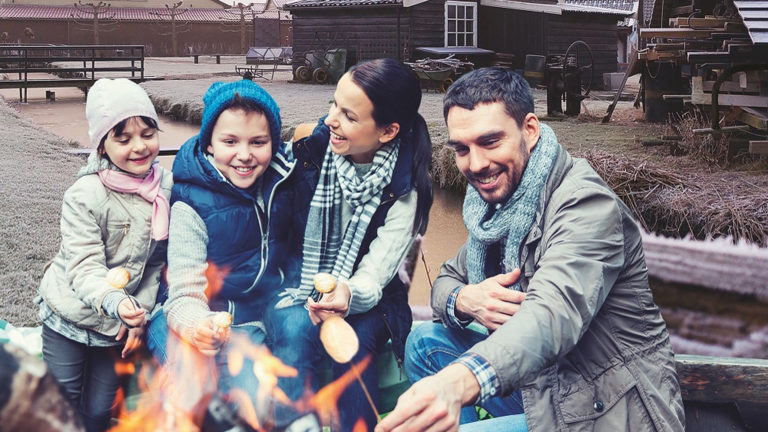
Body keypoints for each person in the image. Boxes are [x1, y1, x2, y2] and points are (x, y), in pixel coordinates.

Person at [377, 67, 686, 432]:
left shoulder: (586, 205)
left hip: (605, 407)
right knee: (424, 343)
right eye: (462, 149)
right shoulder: (498, 208)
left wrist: (458, 382)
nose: (475, 164)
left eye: (490, 142)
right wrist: (465, 299)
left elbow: (551, 315)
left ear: (530, 130)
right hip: (543, 386)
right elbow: (447, 279)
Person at [266, 57, 433, 431]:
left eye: (349, 116)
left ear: (388, 131)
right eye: (334, 105)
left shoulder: (406, 190)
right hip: (299, 283)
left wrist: (347, 294)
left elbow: (376, 274)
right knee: (293, 326)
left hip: (373, 298)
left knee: (355, 335)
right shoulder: (311, 150)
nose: (331, 120)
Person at [150, 79, 300, 422]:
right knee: (194, 399)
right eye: (230, 142)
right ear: (209, 144)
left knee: (259, 405)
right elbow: (183, 293)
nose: (244, 155)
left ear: (274, 143)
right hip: (189, 318)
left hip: (250, 322)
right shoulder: (191, 204)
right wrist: (199, 326)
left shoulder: (283, 183)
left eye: (258, 142)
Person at [36, 78, 172, 432]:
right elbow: (84, 266)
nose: (139, 147)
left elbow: (155, 264)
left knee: (98, 411)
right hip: (70, 315)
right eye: (123, 139)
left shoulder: (165, 189)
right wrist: (115, 301)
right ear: (102, 146)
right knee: (63, 405)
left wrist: (138, 313)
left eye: (147, 134)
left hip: (116, 328)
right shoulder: (84, 195)